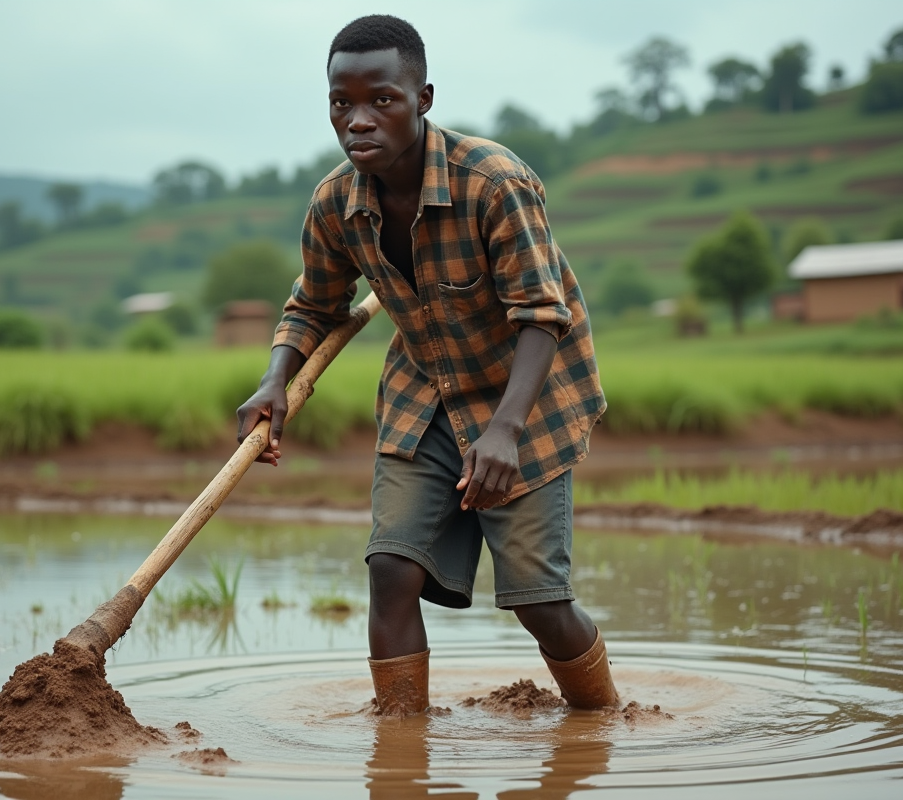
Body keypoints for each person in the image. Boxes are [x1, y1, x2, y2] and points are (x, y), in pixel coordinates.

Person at [236, 14, 618, 716]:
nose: (357, 120)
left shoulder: (493, 183)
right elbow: (312, 306)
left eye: (381, 99)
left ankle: (601, 722)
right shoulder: (334, 206)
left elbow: (542, 313)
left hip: (525, 400)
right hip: (426, 398)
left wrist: (504, 430)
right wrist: (274, 380)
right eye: (340, 103)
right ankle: (402, 744)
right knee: (390, 570)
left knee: (540, 601)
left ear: (424, 99)